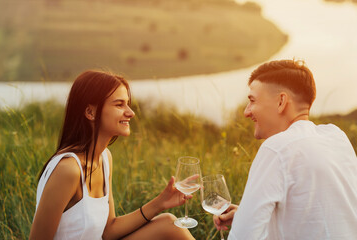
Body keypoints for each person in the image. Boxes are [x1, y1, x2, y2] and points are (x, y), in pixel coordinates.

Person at [29, 70, 195, 240]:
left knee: (169, 222)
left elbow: (109, 230)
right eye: (119, 104)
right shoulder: (68, 170)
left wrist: (161, 202)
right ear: (90, 113)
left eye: (127, 104)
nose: (130, 112)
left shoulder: (104, 158)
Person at [214, 59, 357, 239]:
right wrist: (245, 214)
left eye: (252, 100)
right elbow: (320, 215)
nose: (246, 112)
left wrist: (245, 223)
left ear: (281, 101)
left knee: (171, 228)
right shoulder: (337, 137)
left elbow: (242, 237)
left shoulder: (276, 148)